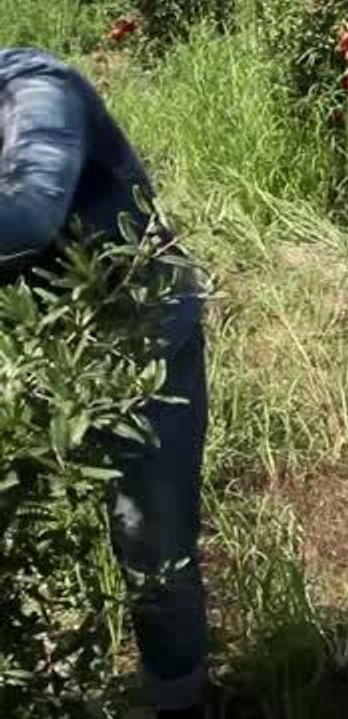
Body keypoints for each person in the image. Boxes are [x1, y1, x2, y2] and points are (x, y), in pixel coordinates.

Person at [0, 48, 211, 718]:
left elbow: (30, 211)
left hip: (139, 351)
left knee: (153, 541)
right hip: (35, 359)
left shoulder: (35, 89)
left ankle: (179, 698)